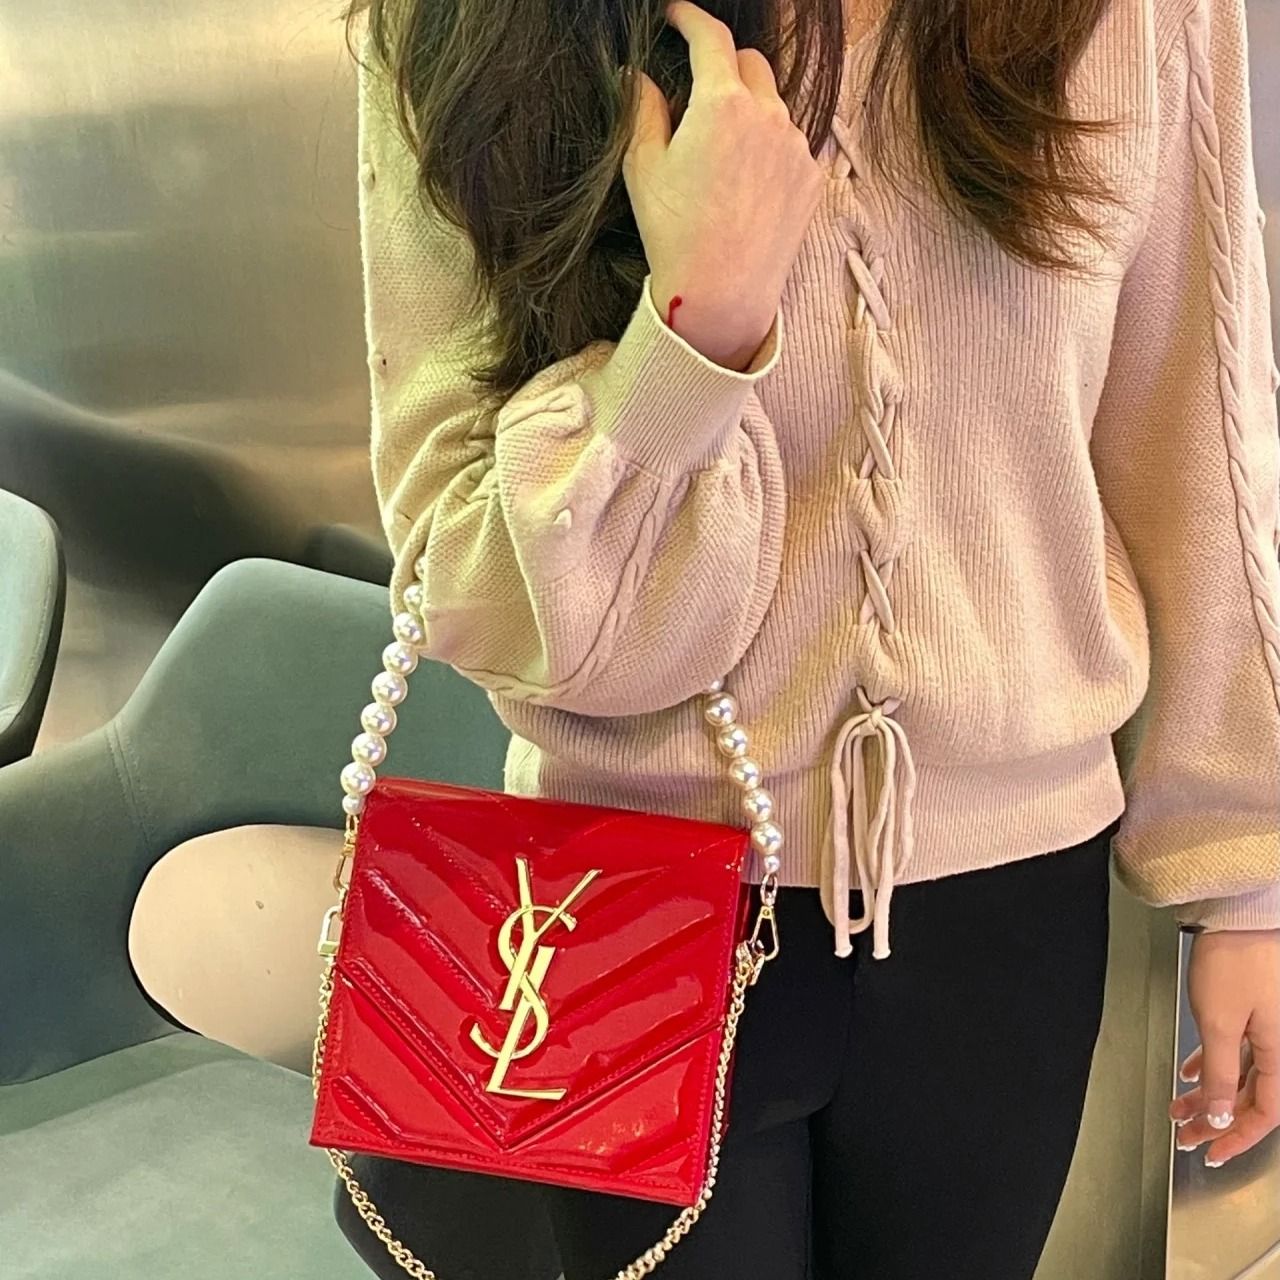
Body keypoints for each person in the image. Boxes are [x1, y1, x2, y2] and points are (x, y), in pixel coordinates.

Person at [340, 0, 1280, 1274]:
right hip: (617, 888)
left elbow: (1199, 428)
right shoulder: (467, 24)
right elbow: (459, 566)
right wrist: (695, 334)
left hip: (1006, 904)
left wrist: (1245, 869)